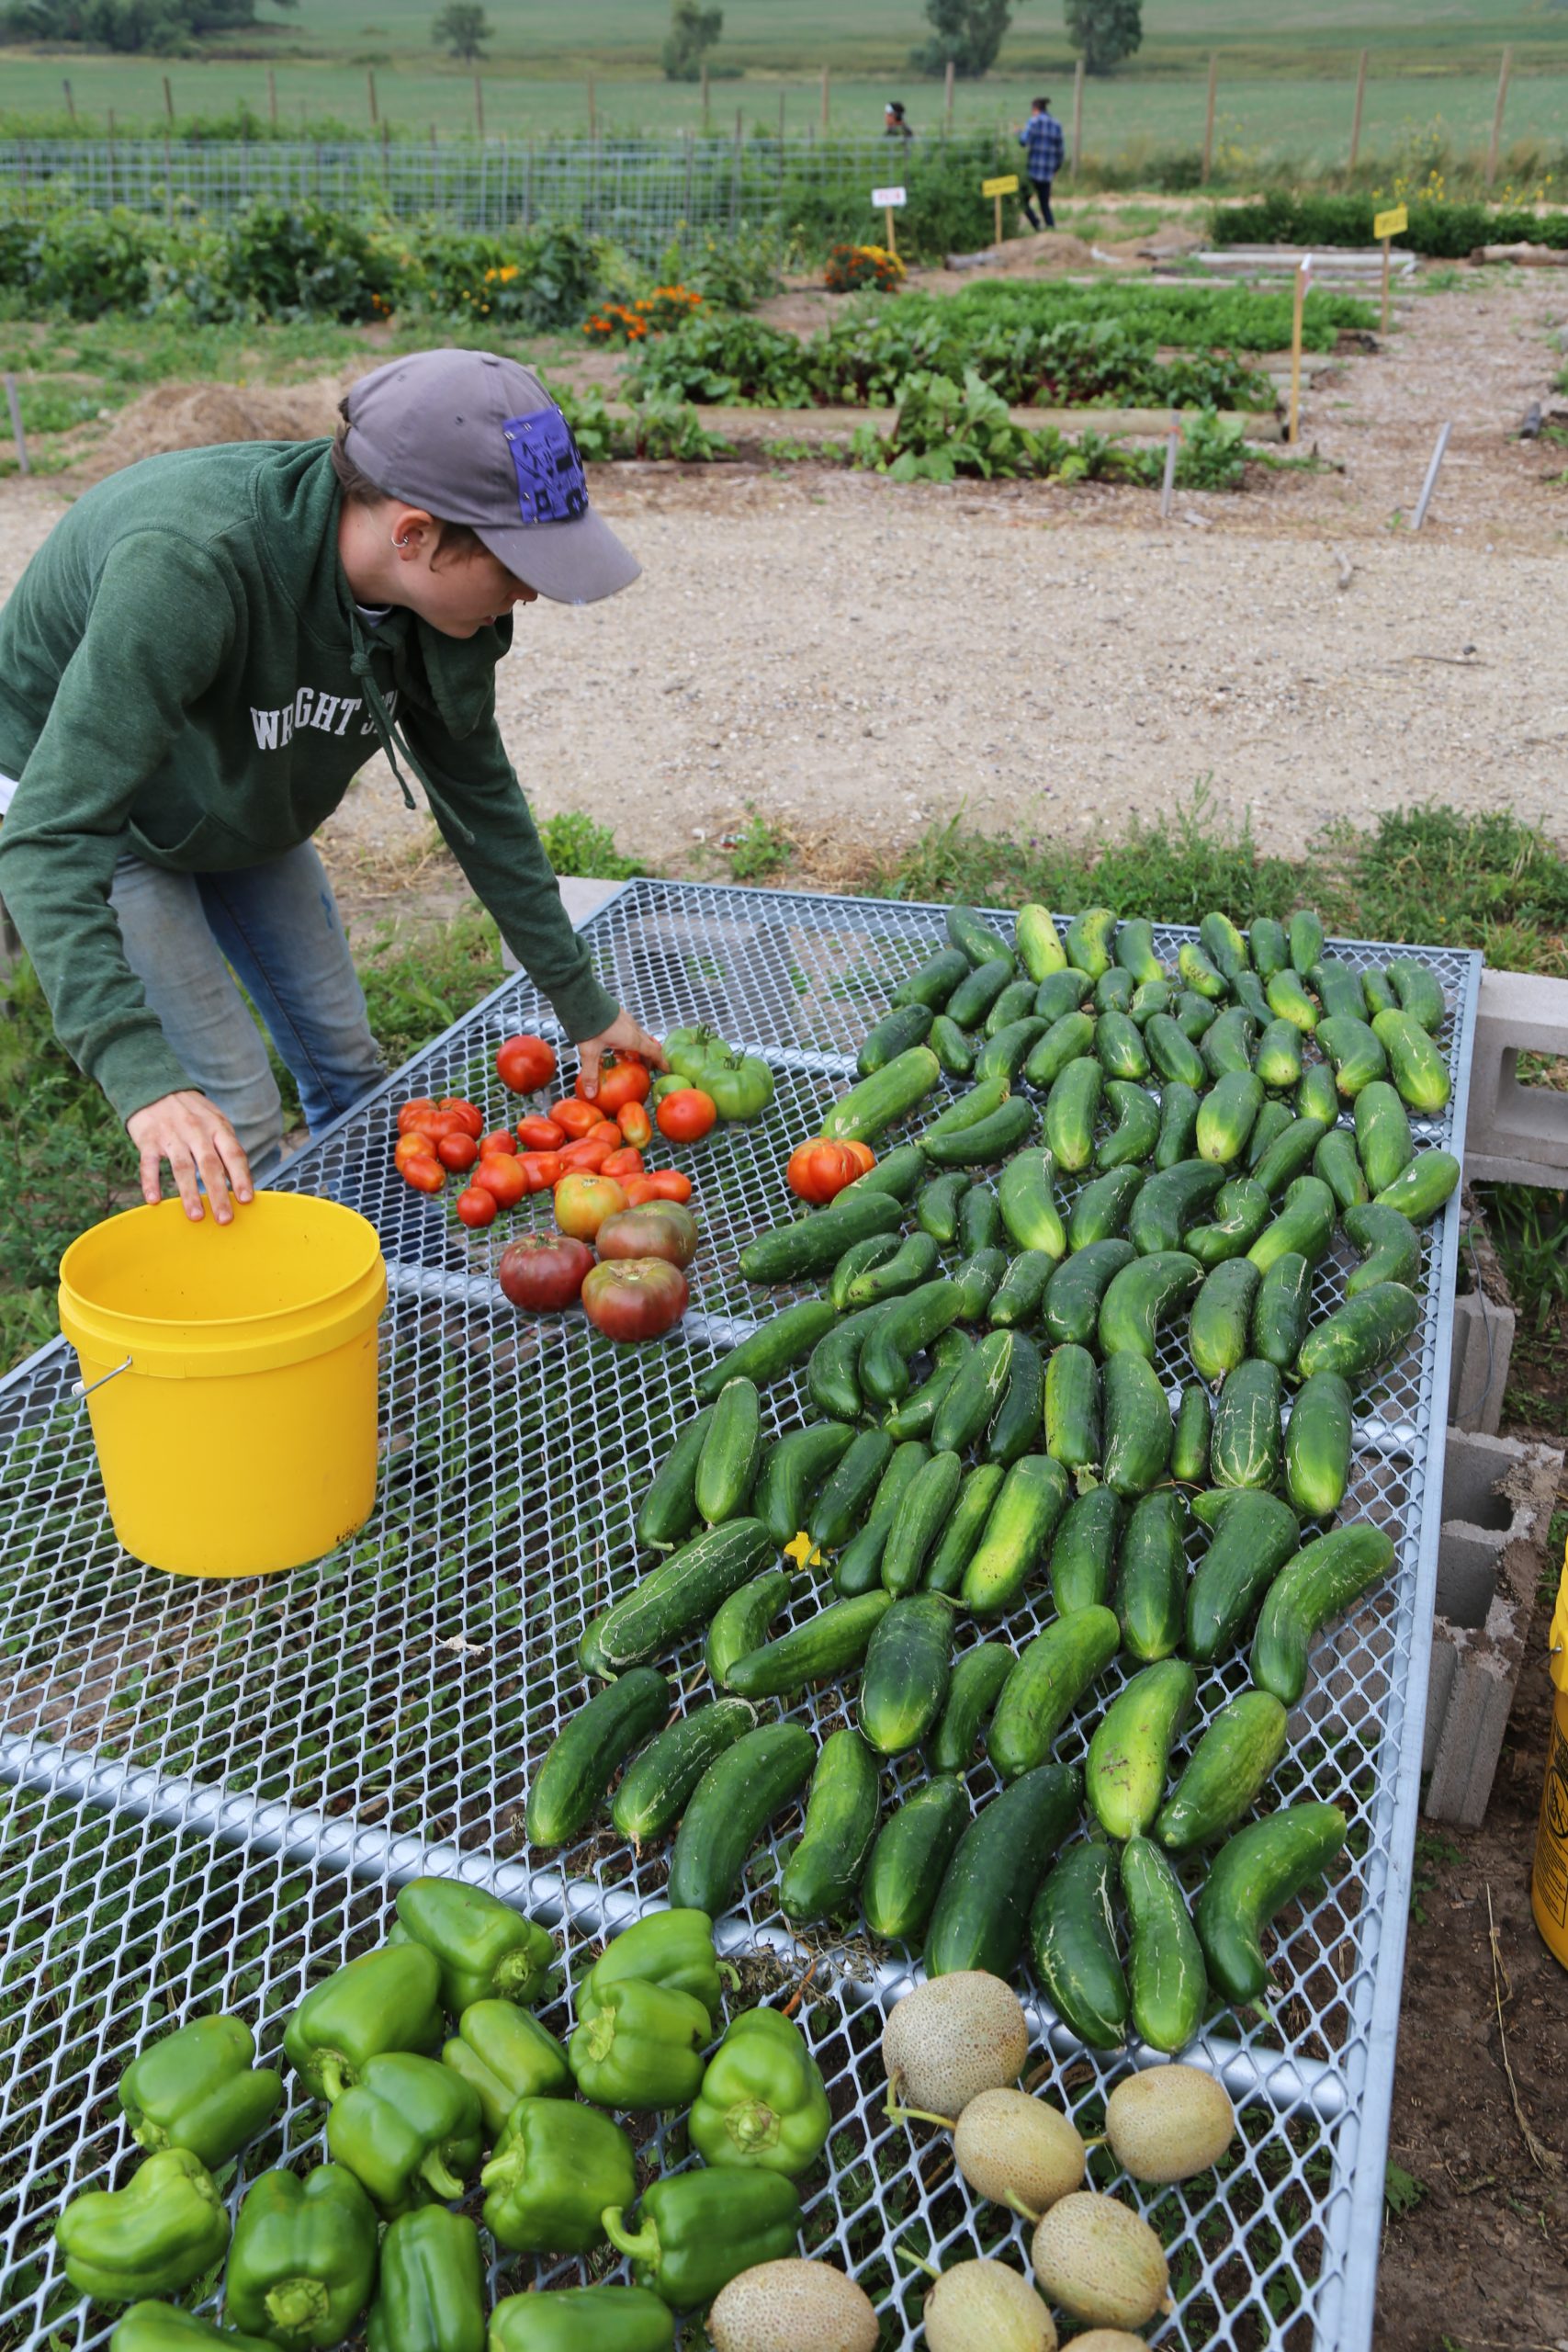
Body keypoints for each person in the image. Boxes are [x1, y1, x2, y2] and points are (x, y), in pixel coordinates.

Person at [0, 348, 665, 1226]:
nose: (532, 593)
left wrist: (581, 999)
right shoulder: (189, 565)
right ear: (415, 534)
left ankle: (379, 1262)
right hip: (109, 807)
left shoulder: (441, 610)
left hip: (240, 784)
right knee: (228, 1107)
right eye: (514, 566)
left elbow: (478, 795)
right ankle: (263, 1332)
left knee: (348, 1065)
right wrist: (142, 1075)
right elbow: (53, 835)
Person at [1017, 95, 1066, 231]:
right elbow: (1061, 151)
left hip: (1033, 171)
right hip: (1047, 173)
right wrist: (1056, 168)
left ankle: (1037, 225)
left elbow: (1023, 141)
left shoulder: (1034, 122)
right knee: (1045, 204)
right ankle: (1051, 229)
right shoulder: (1056, 125)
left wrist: (1018, 133)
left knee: (1022, 201)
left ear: (1035, 109)